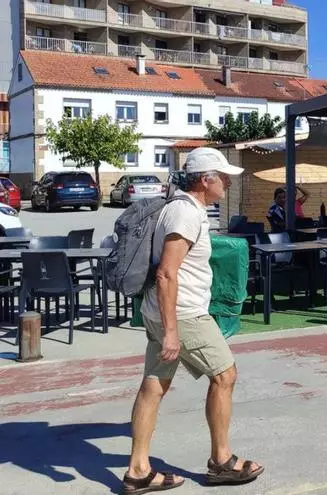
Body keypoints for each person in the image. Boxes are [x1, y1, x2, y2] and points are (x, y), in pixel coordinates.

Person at [122, 147, 263, 494]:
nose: (228, 182)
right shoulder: (185, 213)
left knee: (154, 384)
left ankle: (137, 470)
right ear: (205, 180)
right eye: (223, 177)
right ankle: (221, 461)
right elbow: (167, 273)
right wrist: (172, 331)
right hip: (182, 314)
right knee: (225, 375)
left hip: (163, 312)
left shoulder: (182, 208)